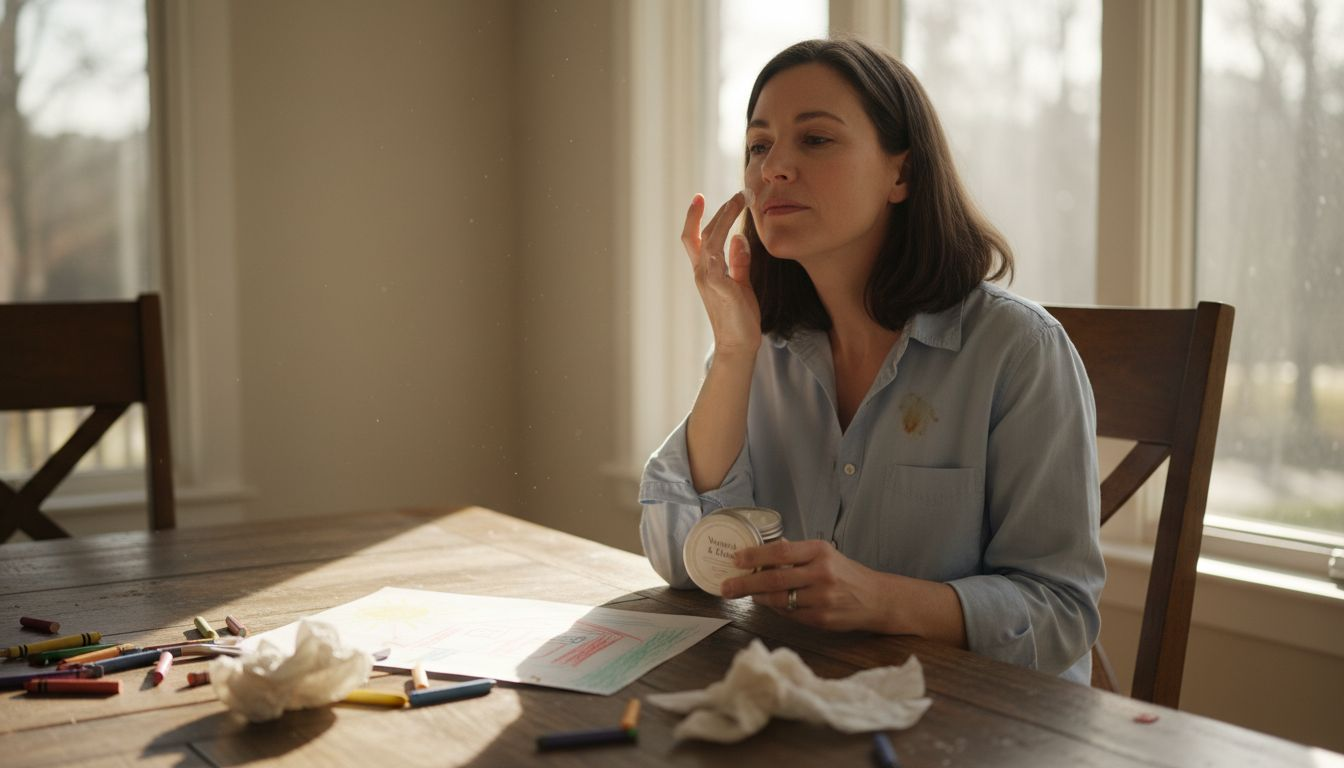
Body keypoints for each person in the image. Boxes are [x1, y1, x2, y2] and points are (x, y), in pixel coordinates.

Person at [638, 38, 1105, 684]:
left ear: (901, 175)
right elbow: (678, 558)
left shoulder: (1020, 351)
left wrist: (883, 599)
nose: (775, 168)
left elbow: (1062, 613)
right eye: (758, 146)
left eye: (816, 140)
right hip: (808, 701)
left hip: (978, 718)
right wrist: (734, 353)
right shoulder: (757, 350)